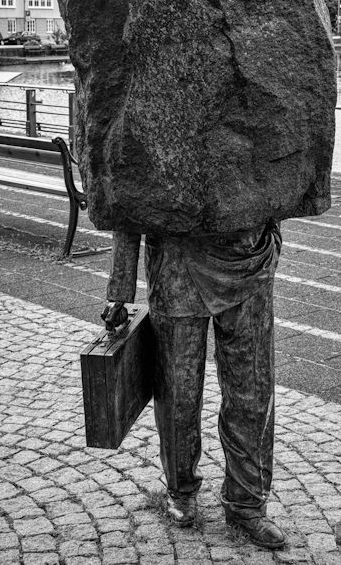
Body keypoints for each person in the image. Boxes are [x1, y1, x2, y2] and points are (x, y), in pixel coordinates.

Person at [103, 220, 286, 550]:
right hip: (176, 263)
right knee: (178, 391)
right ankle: (181, 488)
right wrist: (120, 287)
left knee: (252, 390)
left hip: (248, 258)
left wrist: (271, 237)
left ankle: (247, 502)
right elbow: (126, 189)